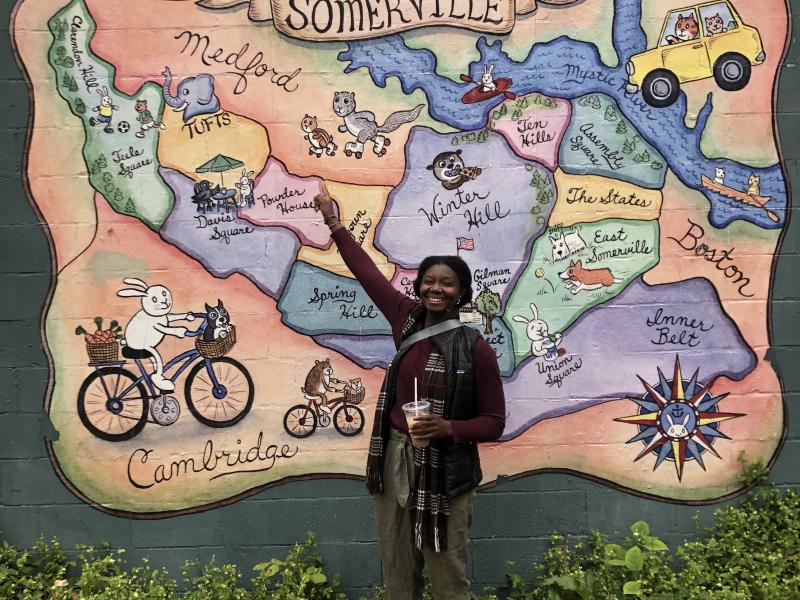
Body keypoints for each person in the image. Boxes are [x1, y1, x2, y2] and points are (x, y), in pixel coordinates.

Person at [313, 187, 506, 600]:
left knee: (447, 580)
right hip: (394, 461)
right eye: (429, 281)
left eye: (447, 283)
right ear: (418, 287)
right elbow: (366, 273)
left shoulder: (476, 348)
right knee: (399, 575)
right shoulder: (405, 318)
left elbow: (494, 422)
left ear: (462, 293)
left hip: (446, 472)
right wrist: (335, 224)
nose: (436, 289)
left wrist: (448, 427)